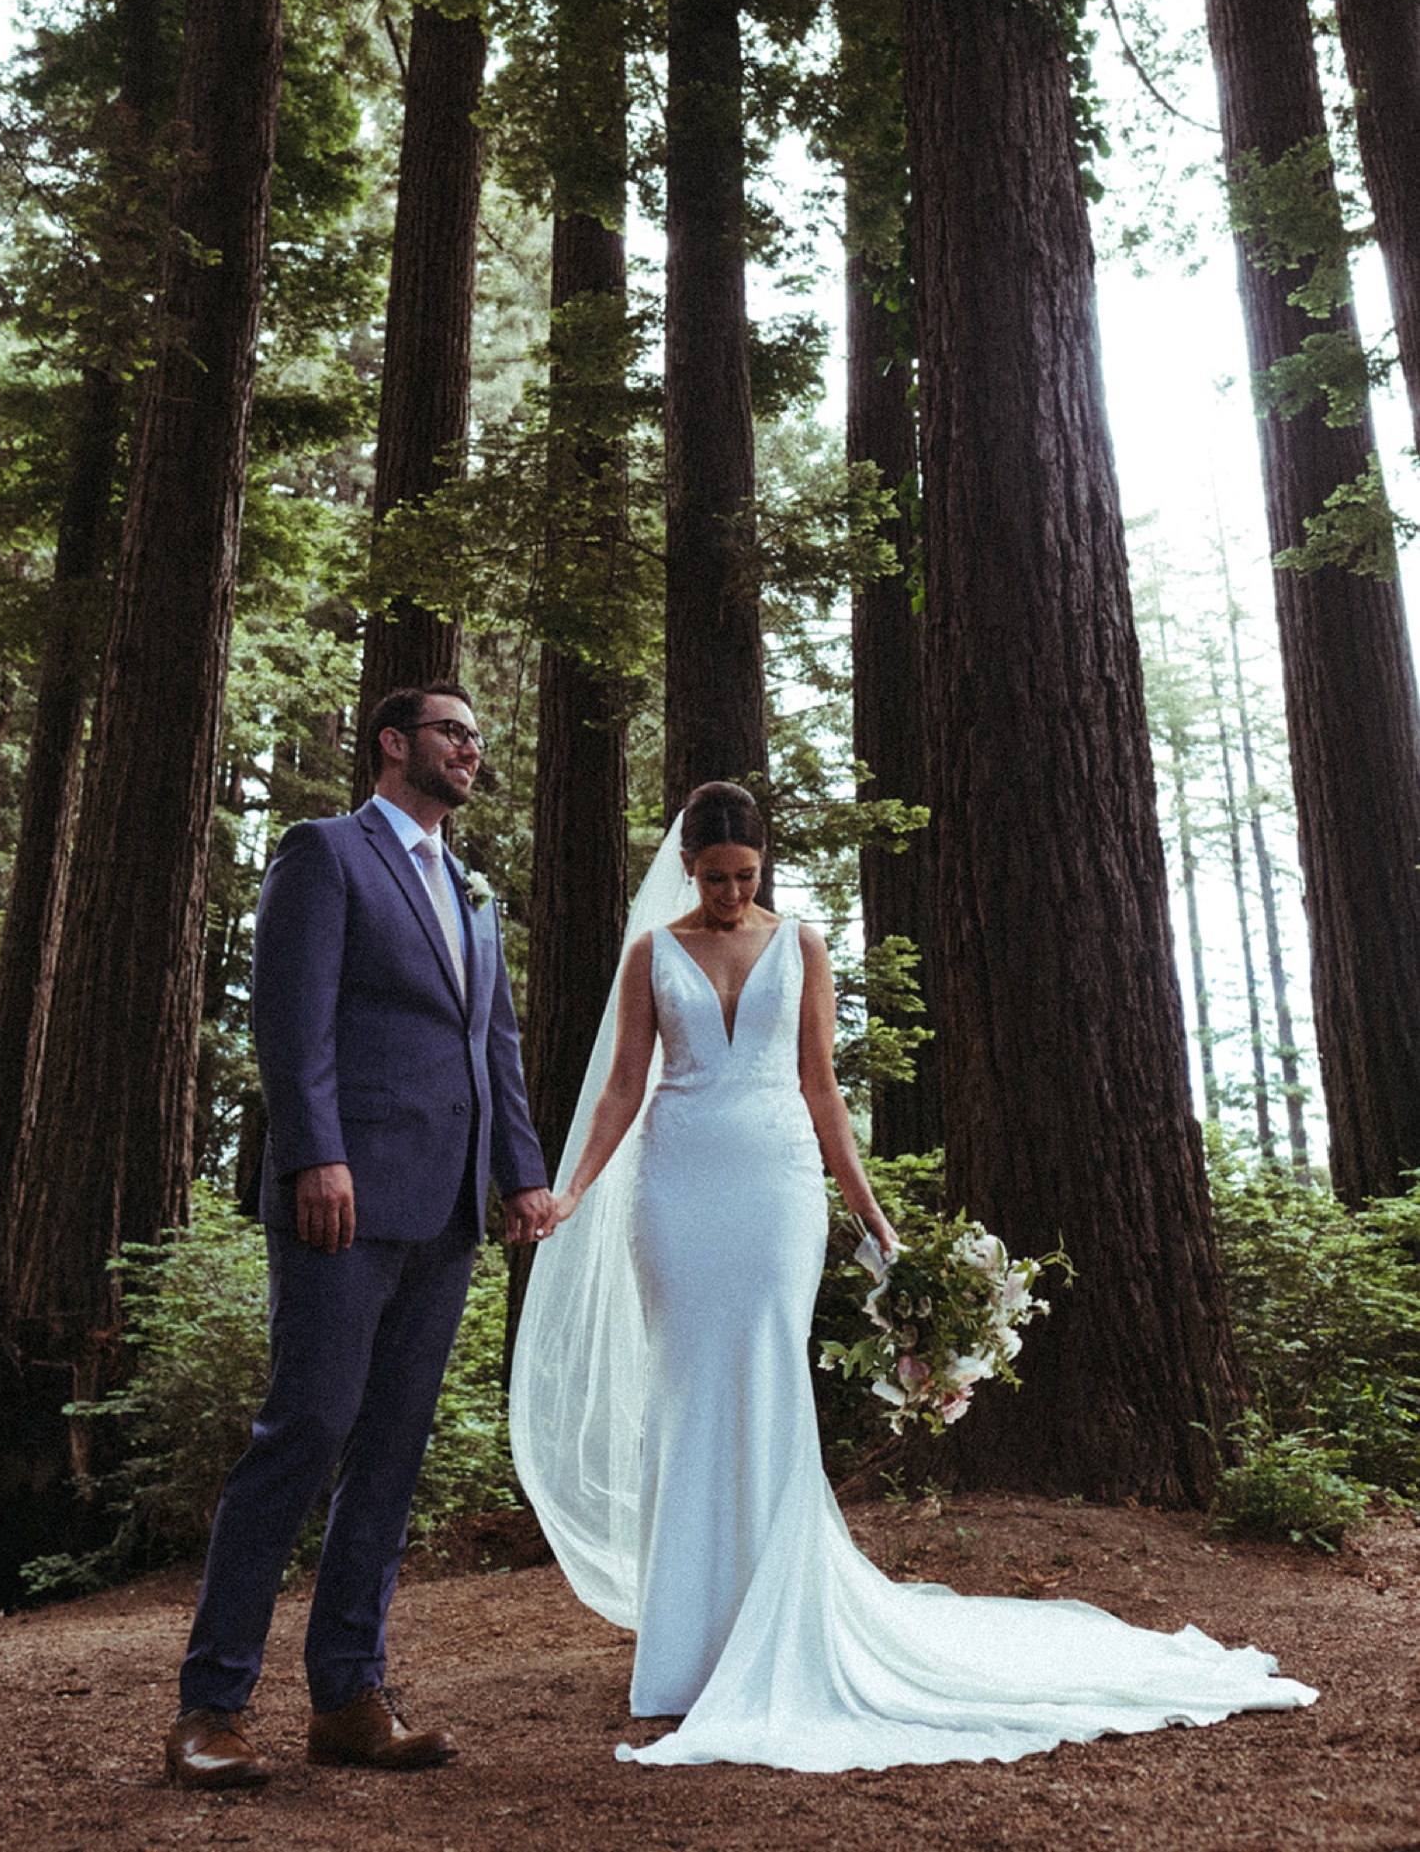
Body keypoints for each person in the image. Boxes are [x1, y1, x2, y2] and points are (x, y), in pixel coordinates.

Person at [510, 782, 1316, 1771]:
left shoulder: (801, 944)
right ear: (689, 868)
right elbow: (625, 1086)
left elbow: (822, 1089)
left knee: (767, 1380)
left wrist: (877, 1225)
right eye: (714, 878)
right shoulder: (652, 952)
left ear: (766, 864)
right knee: (686, 1388)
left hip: (774, 1189)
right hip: (678, 1187)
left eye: (746, 876)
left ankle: (780, 1625)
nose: (728, 893)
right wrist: (574, 1191)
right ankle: (684, 1653)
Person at [165, 684, 553, 1792]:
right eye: (451, 731)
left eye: (478, 735)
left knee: (389, 1452)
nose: (470, 748)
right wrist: (312, 1153)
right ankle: (213, 1702)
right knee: (306, 1428)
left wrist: (519, 1173)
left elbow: (499, 1046)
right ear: (395, 743)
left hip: (447, 1211)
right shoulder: (325, 853)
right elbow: (290, 1019)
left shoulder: (474, 893)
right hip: (342, 1196)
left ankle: (347, 1694)